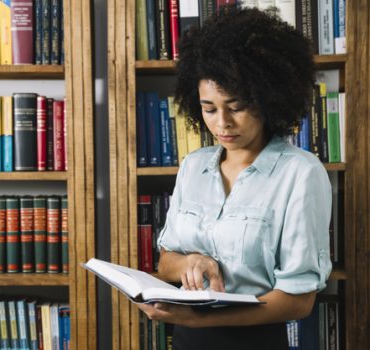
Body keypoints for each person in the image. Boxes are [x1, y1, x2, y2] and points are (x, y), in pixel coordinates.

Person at [137, 7, 332, 350]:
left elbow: (299, 301)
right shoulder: (193, 166)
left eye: (236, 106)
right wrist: (191, 262)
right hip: (185, 341)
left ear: (268, 99)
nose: (222, 122)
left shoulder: (300, 173)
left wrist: (201, 319)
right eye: (209, 108)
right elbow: (166, 263)